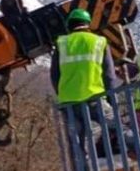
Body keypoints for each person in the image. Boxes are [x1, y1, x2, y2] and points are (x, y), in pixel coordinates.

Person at [50, 8, 120, 157]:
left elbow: (55, 75)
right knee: (119, 128)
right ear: (88, 24)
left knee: (76, 144)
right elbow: (109, 75)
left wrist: (63, 93)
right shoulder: (99, 42)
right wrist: (112, 100)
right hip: (94, 97)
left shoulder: (61, 43)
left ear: (69, 25)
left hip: (69, 102)